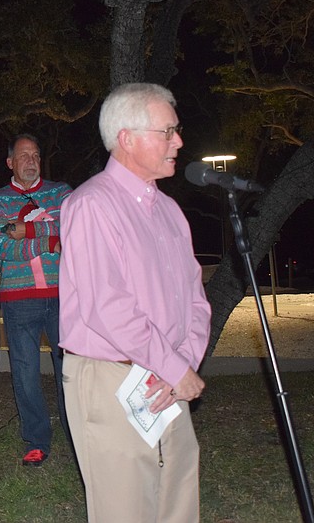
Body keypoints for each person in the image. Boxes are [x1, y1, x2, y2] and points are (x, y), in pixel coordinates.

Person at [59, 83, 210, 522]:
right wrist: (175, 367)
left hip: (168, 378)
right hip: (112, 378)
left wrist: (181, 362)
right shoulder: (91, 205)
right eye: (167, 131)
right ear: (127, 138)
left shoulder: (169, 211)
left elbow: (195, 301)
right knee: (124, 509)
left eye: (176, 131)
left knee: (178, 499)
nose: (178, 141)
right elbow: (108, 307)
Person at [0, 133, 72, 467]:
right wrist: (51, 241)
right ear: (10, 162)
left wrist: (27, 230)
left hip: (65, 295)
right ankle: (36, 439)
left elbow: (76, 231)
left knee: (72, 370)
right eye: (23, 156)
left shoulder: (61, 192)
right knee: (25, 373)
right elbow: (4, 247)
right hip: (19, 300)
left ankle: (78, 429)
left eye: (35, 154)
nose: (31, 160)